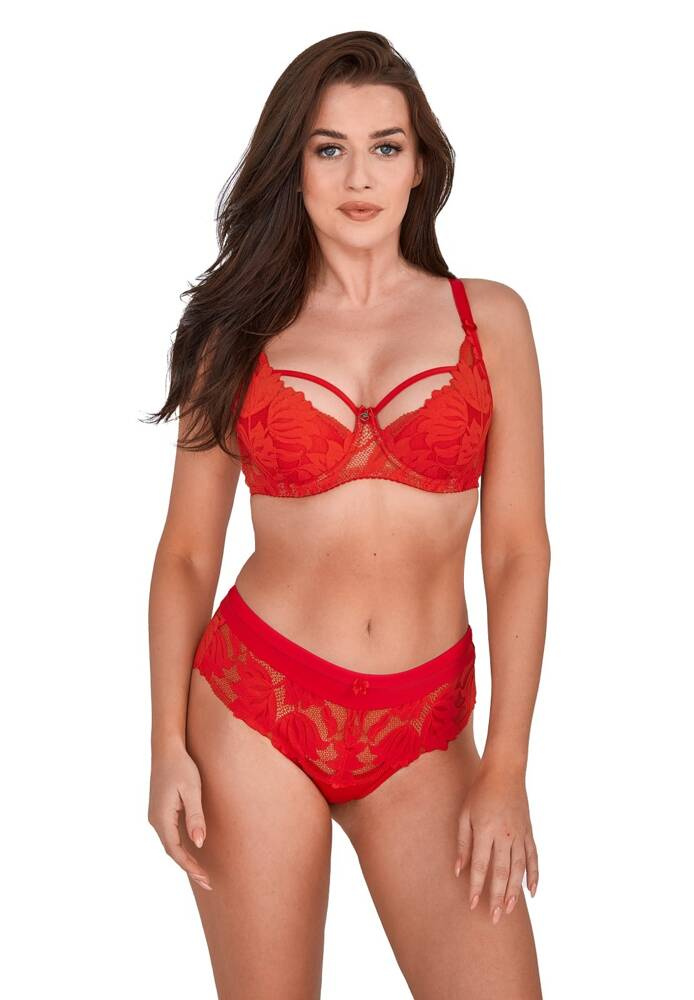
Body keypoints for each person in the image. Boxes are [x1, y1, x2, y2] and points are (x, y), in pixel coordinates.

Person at [146, 30, 548, 999]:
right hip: (256, 707)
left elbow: (517, 554)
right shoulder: (234, 333)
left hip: (426, 727)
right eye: (329, 148)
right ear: (293, 167)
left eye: (385, 146)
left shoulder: (490, 320)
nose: (358, 176)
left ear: (420, 167)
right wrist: (165, 745)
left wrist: (504, 766)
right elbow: (188, 554)